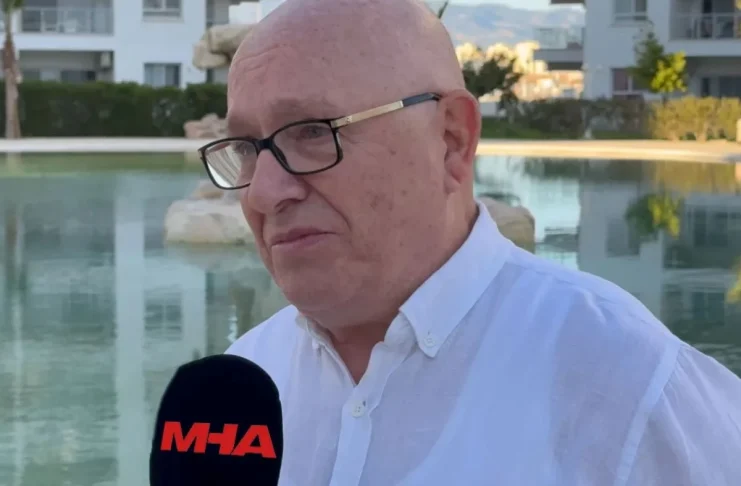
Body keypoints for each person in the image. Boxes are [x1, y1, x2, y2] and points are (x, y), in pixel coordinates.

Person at [198, 0, 741, 484]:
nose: (263, 192)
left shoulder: (629, 385)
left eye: (314, 132)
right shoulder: (243, 377)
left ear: (451, 140)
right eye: (245, 148)